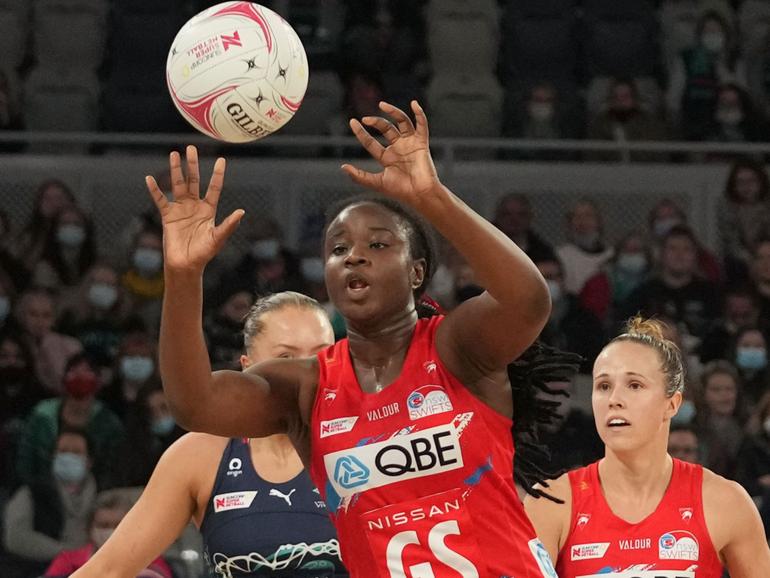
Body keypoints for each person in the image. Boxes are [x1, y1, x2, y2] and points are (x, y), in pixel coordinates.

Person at [146, 100, 556, 578]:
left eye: (377, 244)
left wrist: (431, 197)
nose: (354, 257)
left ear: (417, 270)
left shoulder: (456, 347)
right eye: (339, 249)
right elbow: (194, 404)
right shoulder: (308, 388)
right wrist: (183, 275)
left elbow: (527, 301)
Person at [70, 291, 346, 578]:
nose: (304, 369)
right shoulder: (201, 456)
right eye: (285, 356)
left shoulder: (370, 445)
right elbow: (107, 570)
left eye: (320, 354)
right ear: (248, 367)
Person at [523, 317, 770, 578]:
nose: (615, 400)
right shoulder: (551, 502)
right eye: (604, 386)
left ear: (672, 404)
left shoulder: (725, 502)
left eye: (635, 385)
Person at [45, 490, 173, 577]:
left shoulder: (152, 563)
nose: (112, 531)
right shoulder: (67, 561)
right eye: (103, 525)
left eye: (119, 525)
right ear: (90, 529)